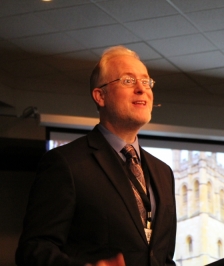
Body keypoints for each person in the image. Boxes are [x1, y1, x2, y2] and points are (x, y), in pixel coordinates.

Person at [15, 46, 177, 266]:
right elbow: (34, 250)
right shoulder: (67, 163)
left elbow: (162, 257)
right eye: (128, 81)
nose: (142, 89)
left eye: (147, 82)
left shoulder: (163, 172)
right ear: (100, 96)